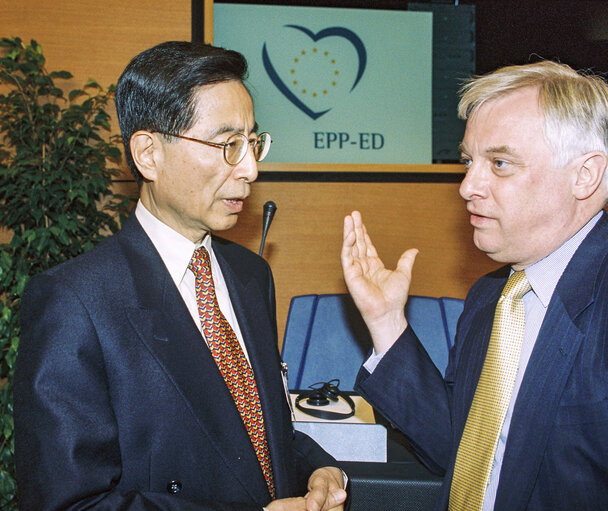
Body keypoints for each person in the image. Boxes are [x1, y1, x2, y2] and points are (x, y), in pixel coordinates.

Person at [14, 41, 347, 511]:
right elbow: (69, 504)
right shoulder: (75, 302)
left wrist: (317, 467)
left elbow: (254, 431)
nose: (251, 169)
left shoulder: (251, 275)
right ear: (149, 154)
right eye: (227, 145)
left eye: (252, 143)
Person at [341, 60, 608, 511]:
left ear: (585, 175)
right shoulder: (492, 297)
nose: (467, 186)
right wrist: (386, 322)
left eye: (499, 163)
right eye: (469, 161)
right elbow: (465, 451)